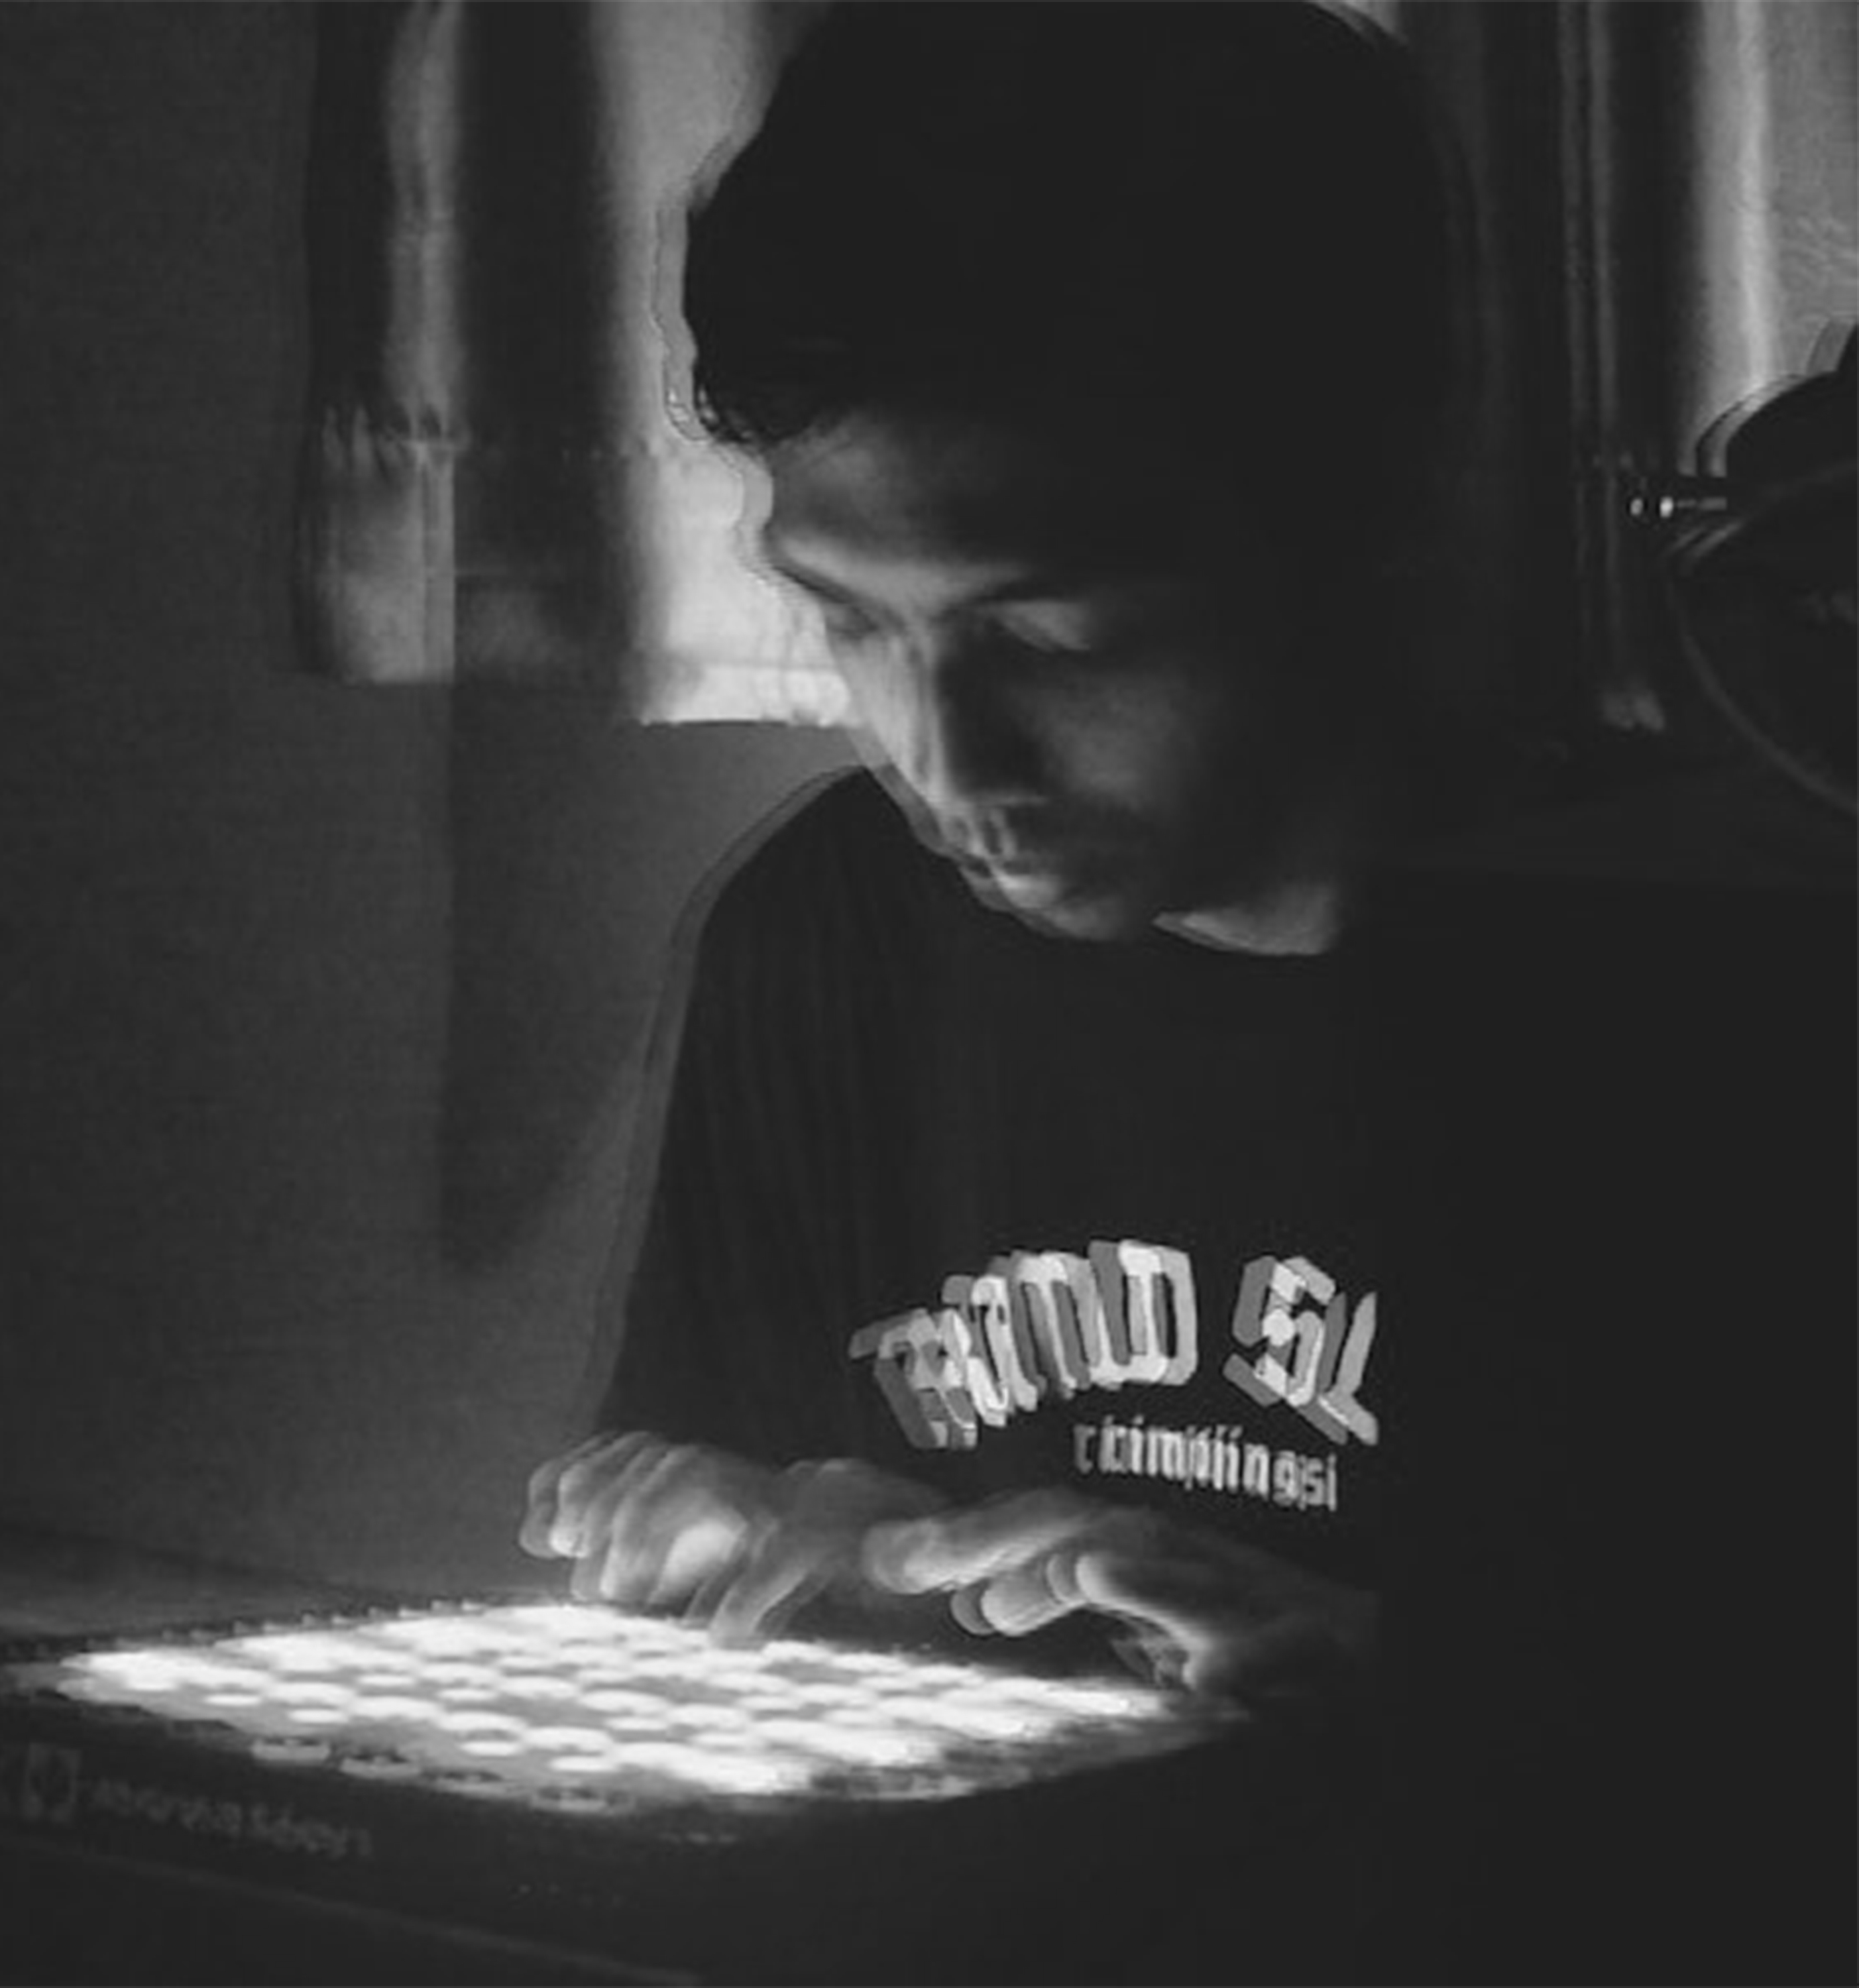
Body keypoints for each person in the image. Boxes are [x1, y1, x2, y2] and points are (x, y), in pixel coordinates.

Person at [524, 7, 1854, 1978]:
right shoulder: (827, 935)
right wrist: (756, 1539)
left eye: (1058, 637)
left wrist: (1406, 1689)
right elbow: (750, 1558)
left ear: (1366, 519)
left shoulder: (1698, 1004)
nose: (945, 760)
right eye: (851, 622)